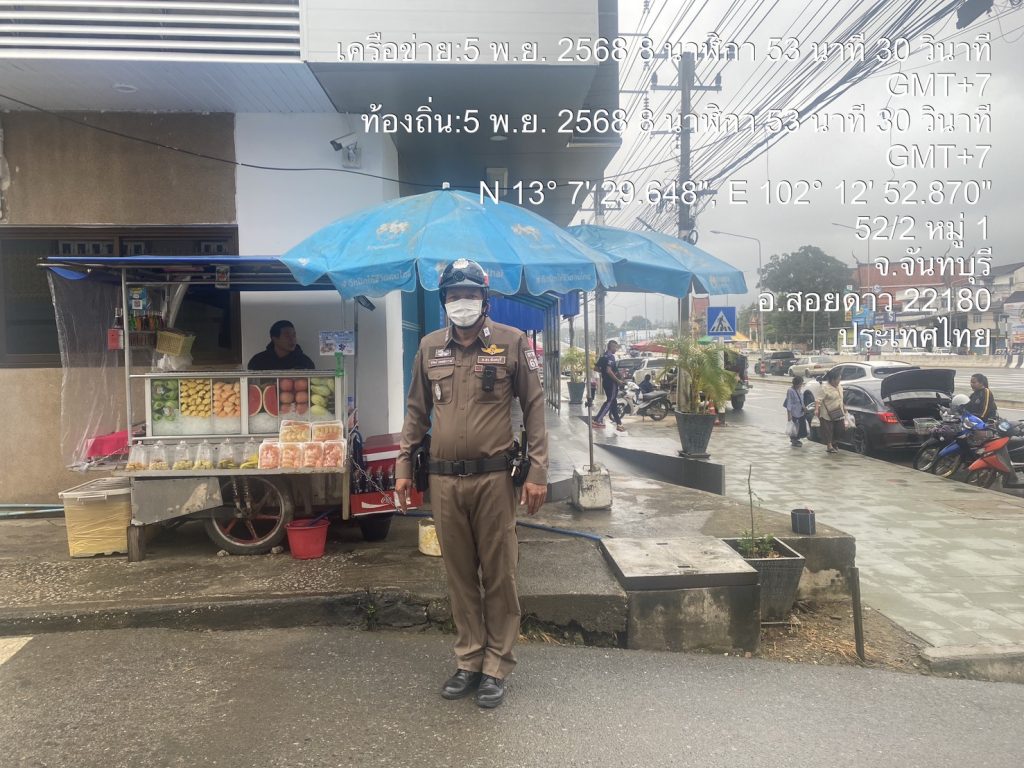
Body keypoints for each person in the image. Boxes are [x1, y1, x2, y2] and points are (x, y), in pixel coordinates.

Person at [395, 258, 548, 710]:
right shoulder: (429, 348)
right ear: (444, 300)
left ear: (485, 300)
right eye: (454, 295)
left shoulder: (512, 342)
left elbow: (534, 406)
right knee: (459, 575)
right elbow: (416, 411)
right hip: (443, 480)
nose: (462, 302)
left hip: (494, 479)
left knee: (499, 574)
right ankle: (469, 659)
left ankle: (496, 665)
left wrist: (537, 471)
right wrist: (403, 465)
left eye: (470, 294)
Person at [246, 320, 315, 370]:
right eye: (287, 336)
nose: (292, 339)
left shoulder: (305, 362)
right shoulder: (258, 361)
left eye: (294, 335)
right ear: (274, 339)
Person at [593, 340, 626, 432]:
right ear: (611, 347)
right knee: (610, 401)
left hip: (605, 382)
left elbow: (596, 368)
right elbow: (608, 370)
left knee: (613, 402)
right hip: (611, 383)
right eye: (615, 347)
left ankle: (619, 423)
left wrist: (604, 372)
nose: (616, 349)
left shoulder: (603, 356)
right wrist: (618, 380)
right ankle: (597, 420)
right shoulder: (611, 357)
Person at [815, 368, 846, 454]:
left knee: (840, 429)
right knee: (828, 430)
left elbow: (841, 399)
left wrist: (844, 408)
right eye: (838, 379)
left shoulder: (839, 387)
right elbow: (818, 400)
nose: (839, 381)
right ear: (832, 379)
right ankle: (829, 446)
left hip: (838, 412)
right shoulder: (824, 388)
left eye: (840, 379)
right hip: (827, 413)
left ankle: (834, 442)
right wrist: (816, 409)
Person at [784, 375, 808, 447]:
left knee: (801, 426)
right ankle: (794, 440)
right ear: (796, 383)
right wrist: (789, 414)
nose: (801, 385)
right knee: (794, 427)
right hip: (794, 412)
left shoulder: (799, 389)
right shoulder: (790, 391)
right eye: (800, 384)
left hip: (800, 411)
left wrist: (804, 407)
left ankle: (797, 439)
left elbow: (801, 399)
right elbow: (789, 403)